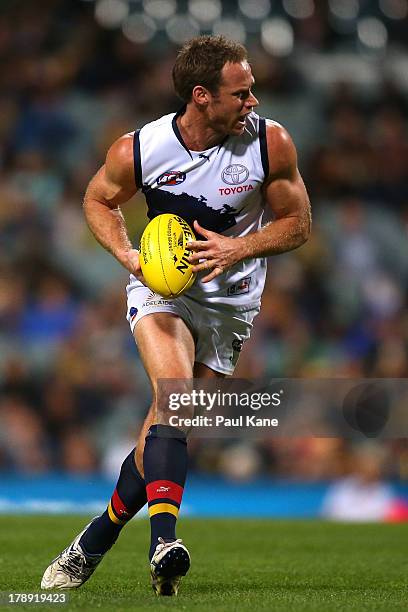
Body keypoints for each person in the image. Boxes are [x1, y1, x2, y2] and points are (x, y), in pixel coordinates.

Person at [41, 35, 311, 596]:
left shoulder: (271, 144)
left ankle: (95, 538)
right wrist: (124, 253)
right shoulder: (139, 149)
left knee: (172, 425)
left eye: (253, 90)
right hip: (162, 289)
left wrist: (239, 248)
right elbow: (98, 199)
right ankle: (164, 542)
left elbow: (299, 224)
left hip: (232, 302)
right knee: (174, 396)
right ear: (201, 96)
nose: (253, 102)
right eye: (241, 93)